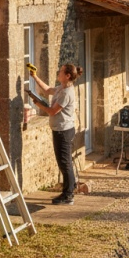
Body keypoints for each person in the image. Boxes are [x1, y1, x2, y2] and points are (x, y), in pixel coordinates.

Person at [28, 63, 83, 205]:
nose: (59, 72)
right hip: (60, 130)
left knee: (64, 163)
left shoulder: (66, 93)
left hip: (63, 131)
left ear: (67, 76)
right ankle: (70, 189)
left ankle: (68, 195)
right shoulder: (62, 88)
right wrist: (35, 77)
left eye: (61, 71)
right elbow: (47, 90)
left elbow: (52, 111)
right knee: (65, 162)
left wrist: (38, 104)